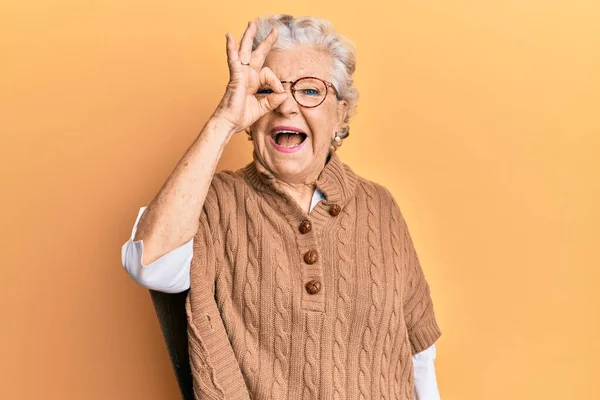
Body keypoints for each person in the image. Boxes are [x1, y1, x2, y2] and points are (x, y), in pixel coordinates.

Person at [121, 14, 442, 400]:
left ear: (340, 114)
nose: (286, 106)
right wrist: (225, 118)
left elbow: (419, 356)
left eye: (309, 91)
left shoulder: (380, 207)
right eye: (268, 90)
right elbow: (149, 264)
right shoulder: (215, 203)